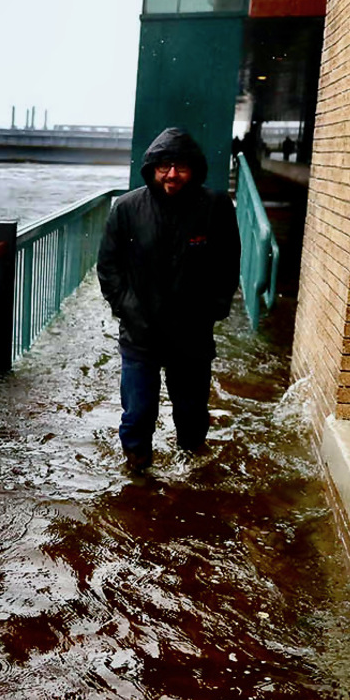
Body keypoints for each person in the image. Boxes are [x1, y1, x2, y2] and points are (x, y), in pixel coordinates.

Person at [97, 127, 241, 471]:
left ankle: (190, 474)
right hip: (140, 334)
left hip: (192, 335)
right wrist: (127, 307)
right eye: (164, 166)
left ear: (195, 169)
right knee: (138, 414)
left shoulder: (216, 207)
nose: (172, 174)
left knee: (191, 415)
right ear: (152, 168)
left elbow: (228, 263)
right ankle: (137, 476)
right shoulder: (127, 208)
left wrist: (213, 309)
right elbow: (108, 266)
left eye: (180, 166)